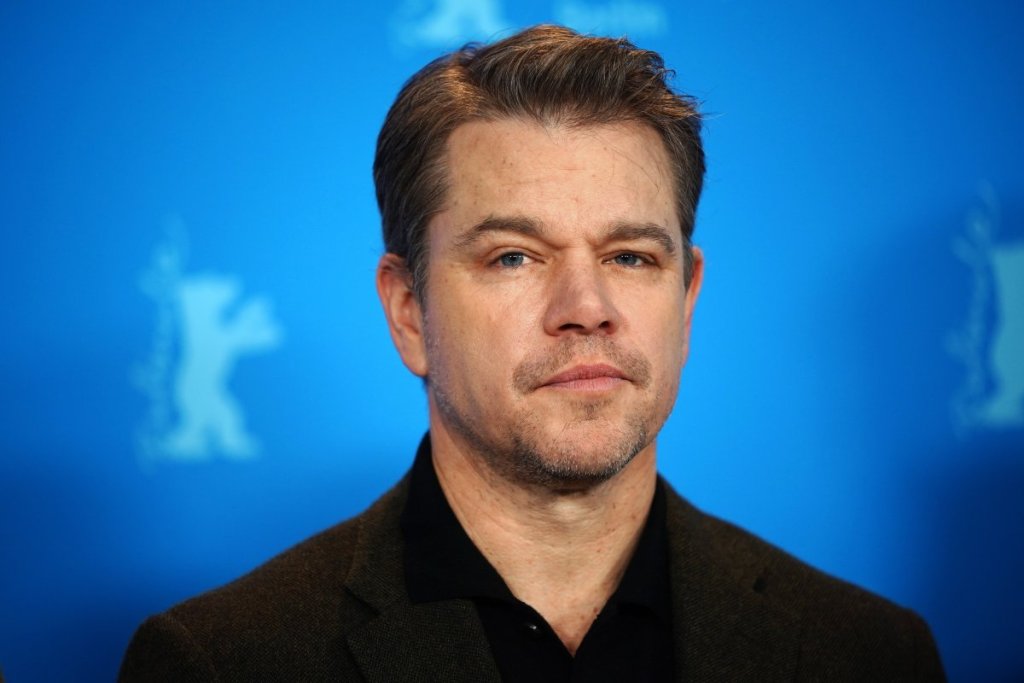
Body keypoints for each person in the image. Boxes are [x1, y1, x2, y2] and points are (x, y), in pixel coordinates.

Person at [119, 24, 945, 681]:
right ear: (408, 312)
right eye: (514, 256)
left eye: (631, 257)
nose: (586, 309)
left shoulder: (869, 653)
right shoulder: (225, 661)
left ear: (687, 298)